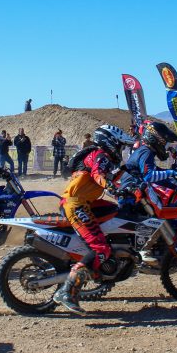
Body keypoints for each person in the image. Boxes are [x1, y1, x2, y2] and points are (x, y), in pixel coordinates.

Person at [52, 125, 133, 314]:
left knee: (116, 211)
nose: (121, 150)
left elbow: (111, 175)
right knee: (100, 248)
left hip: (85, 203)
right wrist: (112, 188)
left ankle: (103, 262)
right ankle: (68, 292)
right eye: (120, 146)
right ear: (111, 142)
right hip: (77, 205)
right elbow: (98, 175)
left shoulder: (99, 156)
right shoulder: (100, 156)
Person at [121, 121, 177, 264]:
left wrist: (173, 183)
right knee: (154, 217)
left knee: (157, 212)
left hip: (136, 190)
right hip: (131, 193)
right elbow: (149, 176)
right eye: (165, 142)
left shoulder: (146, 150)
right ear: (157, 139)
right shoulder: (146, 151)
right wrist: (172, 173)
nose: (166, 147)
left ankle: (159, 245)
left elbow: (154, 173)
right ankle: (144, 249)